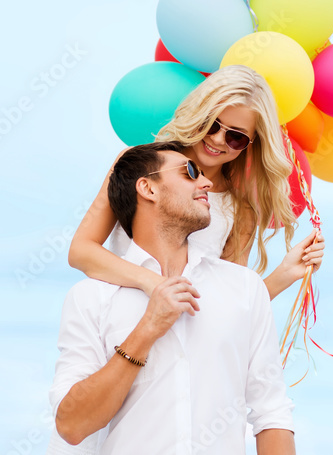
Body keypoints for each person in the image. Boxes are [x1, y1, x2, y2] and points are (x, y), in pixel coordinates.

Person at [49, 142, 296, 454]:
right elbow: (72, 426)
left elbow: (271, 412)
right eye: (190, 172)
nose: (206, 182)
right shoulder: (90, 298)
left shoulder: (245, 288)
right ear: (148, 188)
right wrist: (146, 331)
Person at [68, 65, 324, 302]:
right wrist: (153, 284)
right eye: (211, 124)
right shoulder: (139, 165)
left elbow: (231, 304)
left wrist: (285, 274)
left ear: (251, 144)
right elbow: (81, 251)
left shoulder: (240, 210)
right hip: (120, 325)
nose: (218, 139)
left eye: (236, 137)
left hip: (189, 344)